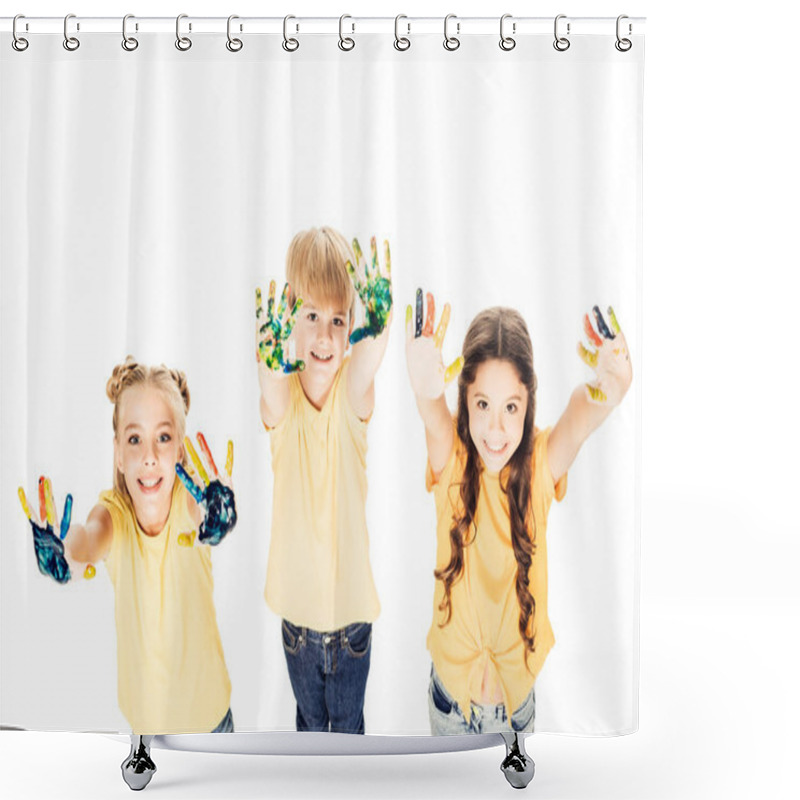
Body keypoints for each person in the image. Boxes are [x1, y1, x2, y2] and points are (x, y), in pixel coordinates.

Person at [405, 297, 632, 734]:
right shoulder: (450, 455)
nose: (495, 429)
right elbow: (433, 417)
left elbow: (584, 413)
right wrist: (423, 389)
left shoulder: (541, 464)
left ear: (529, 404)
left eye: (511, 406)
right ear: (464, 401)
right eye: (483, 404)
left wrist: (614, 384)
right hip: (451, 706)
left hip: (516, 712)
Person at [18, 357, 237, 736]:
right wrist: (61, 548)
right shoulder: (113, 515)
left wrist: (217, 511)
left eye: (163, 438)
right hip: (145, 731)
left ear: (181, 451)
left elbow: (202, 514)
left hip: (211, 724)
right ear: (118, 452)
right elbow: (85, 539)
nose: (149, 455)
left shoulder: (188, 503)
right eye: (135, 439)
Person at [255, 226, 392, 734]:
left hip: (352, 621)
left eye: (339, 319)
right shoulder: (284, 398)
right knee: (309, 730)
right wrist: (267, 356)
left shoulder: (353, 396)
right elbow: (269, 382)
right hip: (296, 622)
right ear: (290, 317)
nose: (326, 336)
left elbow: (368, 361)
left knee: (349, 734)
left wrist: (381, 323)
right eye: (311, 316)